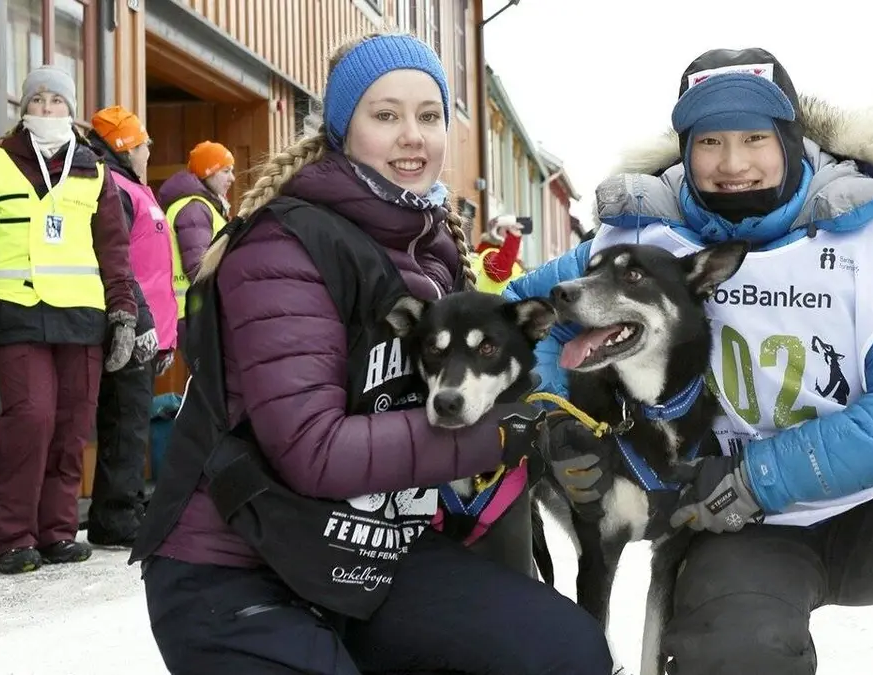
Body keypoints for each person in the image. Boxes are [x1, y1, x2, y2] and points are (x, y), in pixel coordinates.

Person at [508, 48, 873, 674]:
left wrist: (763, 476)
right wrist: (555, 412)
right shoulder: (643, 241)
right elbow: (523, 313)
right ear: (684, 149)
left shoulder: (871, 237)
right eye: (709, 142)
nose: (734, 164)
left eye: (755, 138)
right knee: (733, 648)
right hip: (733, 526)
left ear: (789, 139)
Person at [128, 30, 611, 675]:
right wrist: (498, 435)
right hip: (236, 568)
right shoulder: (283, 249)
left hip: (368, 557)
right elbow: (312, 452)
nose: (412, 135)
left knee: (565, 651)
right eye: (386, 116)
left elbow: (499, 361)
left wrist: (560, 394)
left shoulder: (434, 252)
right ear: (342, 130)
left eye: (429, 116)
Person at [0, 66, 139, 574]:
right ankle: (11, 538)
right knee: (31, 418)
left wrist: (124, 314)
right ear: (24, 108)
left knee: (70, 427)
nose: (47, 109)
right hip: (17, 311)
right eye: (39, 100)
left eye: (57, 101)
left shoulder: (95, 172)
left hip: (80, 316)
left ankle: (56, 532)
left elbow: (114, 250)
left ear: (72, 110)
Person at [86, 104, 180, 547]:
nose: (148, 153)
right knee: (125, 421)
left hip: (149, 331)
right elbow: (120, 263)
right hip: (128, 328)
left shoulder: (134, 189)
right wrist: (140, 325)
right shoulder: (117, 190)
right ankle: (116, 516)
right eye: (144, 145)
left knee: (134, 420)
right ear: (125, 146)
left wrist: (164, 336)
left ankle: (124, 504)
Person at [156, 139, 234, 349]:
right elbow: (198, 267)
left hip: (192, 311)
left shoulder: (200, 205)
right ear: (209, 172)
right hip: (193, 312)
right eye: (226, 171)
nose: (232, 178)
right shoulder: (194, 208)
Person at [472, 214, 527, 294]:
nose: (517, 233)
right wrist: (513, 239)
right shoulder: (489, 254)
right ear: (495, 233)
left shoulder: (511, 260)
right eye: (508, 231)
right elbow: (499, 271)